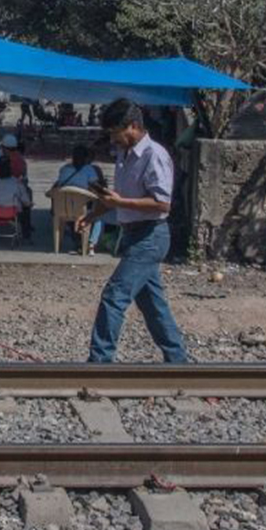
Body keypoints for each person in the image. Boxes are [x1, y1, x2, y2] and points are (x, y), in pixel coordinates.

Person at [77, 99, 188, 363]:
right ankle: (178, 361)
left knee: (114, 296)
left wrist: (119, 203)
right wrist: (92, 215)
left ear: (133, 126)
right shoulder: (124, 155)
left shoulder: (154, 155)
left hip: (151, 236)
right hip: (134, 234)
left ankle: (100, 362)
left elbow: (162, 203)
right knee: (153, 306)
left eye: (115, 132)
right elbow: (119, 197)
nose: (112, 138)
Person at [53, 145, 106, 253]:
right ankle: (90, 243)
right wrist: (105, 191)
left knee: (72, 210)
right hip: (81, 208)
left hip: (63, 209)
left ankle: (77, 242)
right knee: (100, 213)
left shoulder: (64, 169)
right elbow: (95, 185)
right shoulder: (89, 169)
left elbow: (57, 186)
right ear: (86, 158)